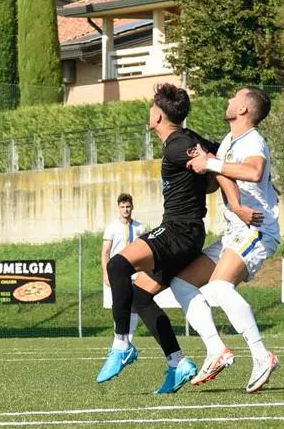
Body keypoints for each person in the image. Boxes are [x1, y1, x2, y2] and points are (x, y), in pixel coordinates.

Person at [96, 83, 260, 393]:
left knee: (118, 266)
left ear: (158, 115)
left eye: (151, 108)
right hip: (185, 231)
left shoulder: (176, 144)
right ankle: (177, 363)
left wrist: (236, 203)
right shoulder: (188, 139)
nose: (149, 112)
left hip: (179, 231)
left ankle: (122, 345)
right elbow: (217, 159)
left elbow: (218, 167)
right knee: (141, 296)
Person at [169, 86, 281, 393]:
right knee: (181, 283)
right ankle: (216, 349)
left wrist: (212, 164)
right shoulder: (231, 140)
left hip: (257, 230)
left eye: (234, 97)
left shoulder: (253, 139)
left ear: (244, 109)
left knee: (219, 287)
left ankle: (261, 355)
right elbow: (221, 175)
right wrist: (203, 166)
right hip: (235, 232)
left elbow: (255, 171)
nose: (229, 100)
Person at [101, 193, 146, 344]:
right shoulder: (112, 228)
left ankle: (129, 342)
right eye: (122, 207)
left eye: (128, 207)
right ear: (118, 208)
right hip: (118, 273)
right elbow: (106, 252)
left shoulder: (140, 227)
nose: (125, 210)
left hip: (135, 271)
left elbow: (145, 250)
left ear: (132, 207)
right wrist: (106, 274)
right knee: (120, 305)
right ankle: (119, 341)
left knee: (134, 306)